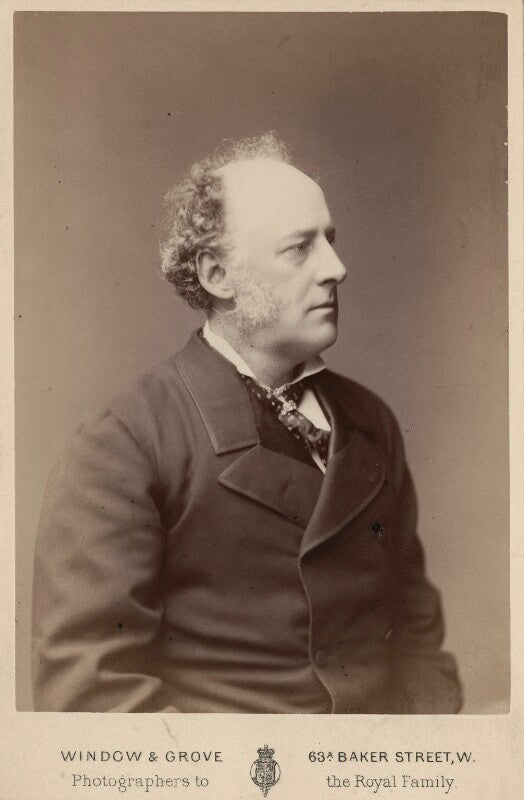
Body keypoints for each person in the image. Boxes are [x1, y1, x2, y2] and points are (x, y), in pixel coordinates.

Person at [32, 133, 462, 713]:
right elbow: (92, 695)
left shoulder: (370, 422)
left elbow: (418, 642)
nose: (337, 269)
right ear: (218, 275)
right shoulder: (126, 442)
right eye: (299, 248)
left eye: (330, 241)